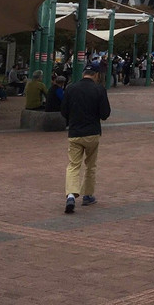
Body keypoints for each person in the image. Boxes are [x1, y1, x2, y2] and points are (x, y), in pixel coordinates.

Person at [61, 62, 111, 213]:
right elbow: (105, 114)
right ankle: (88, 195)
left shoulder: (71, 88)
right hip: (92, 133)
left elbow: (64, 111)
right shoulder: (99, 89)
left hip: (75, 132)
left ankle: (70, 195)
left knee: (73, 165)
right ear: (96, 75)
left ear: (83, 73)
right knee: (90, 165)